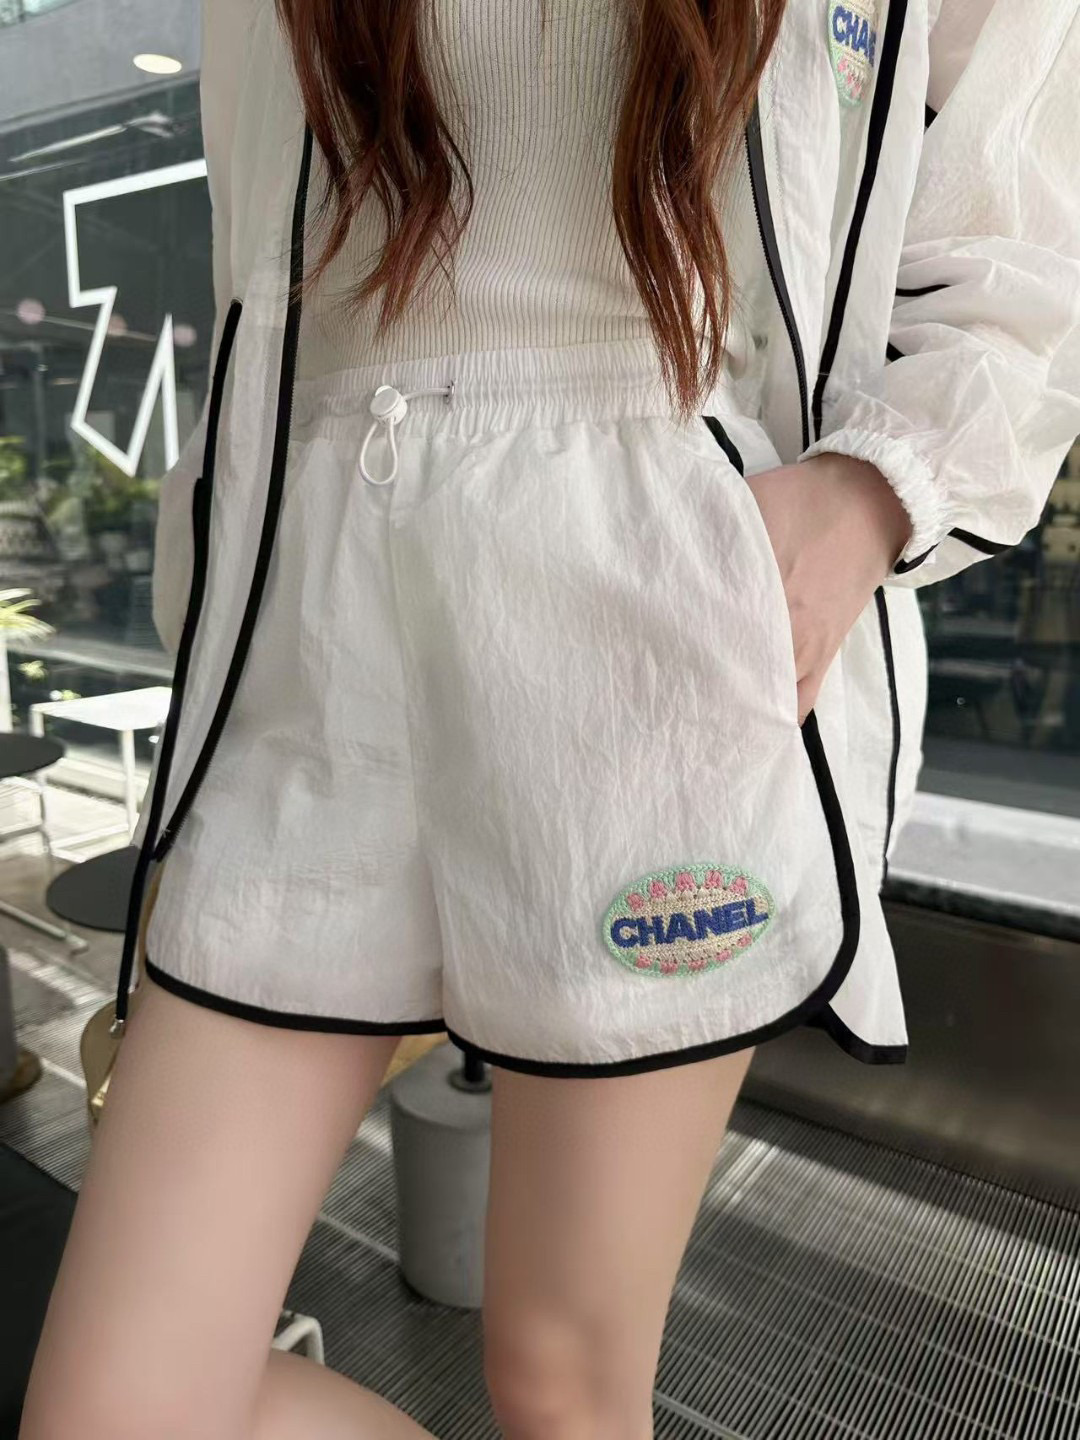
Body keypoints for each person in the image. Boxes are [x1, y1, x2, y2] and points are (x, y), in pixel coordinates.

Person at [20, 1, 1079, 1436]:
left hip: (652, 602)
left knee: (563, 1386)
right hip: (318, 619)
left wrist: (867, 497)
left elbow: (1028, 224)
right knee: (123, 1412)